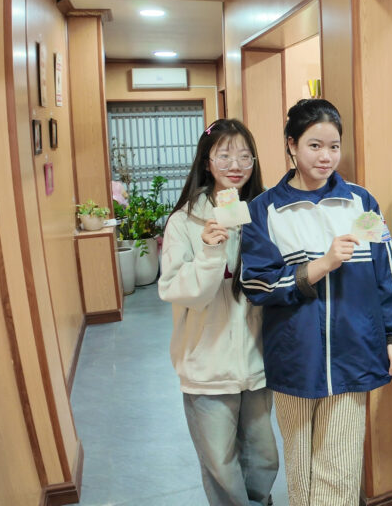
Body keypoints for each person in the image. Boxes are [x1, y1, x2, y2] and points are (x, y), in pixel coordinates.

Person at [240, 99, 392, 506]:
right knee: (301, 468)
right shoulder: (264, 210)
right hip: (296, 356)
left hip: (355, 352)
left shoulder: (361, 203)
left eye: (334, 146)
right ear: (291, 145)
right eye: (314, 145)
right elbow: (257, 284)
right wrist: (320, 266)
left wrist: (391, 337)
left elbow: (386, 273)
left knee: (341, 469)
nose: (326, 156)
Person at [158, 118, 279, 506]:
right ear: (207, 162)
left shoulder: (262, 215)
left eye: (245, 156)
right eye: (224, 155)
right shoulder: (185, 221)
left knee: (263, 458)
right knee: (222, 466)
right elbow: (177, 290)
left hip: (256, 363)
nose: (235, 165)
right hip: (207, 368)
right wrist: (210, 252)